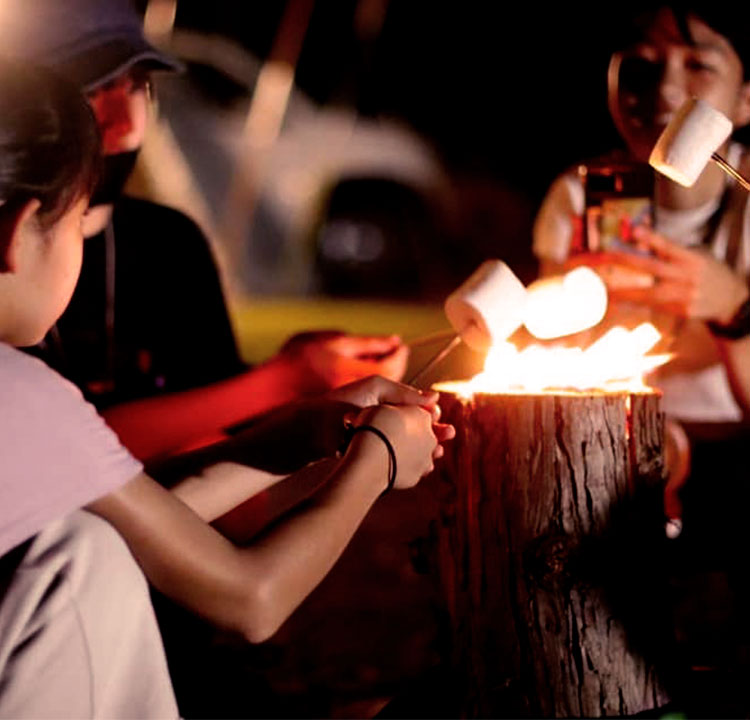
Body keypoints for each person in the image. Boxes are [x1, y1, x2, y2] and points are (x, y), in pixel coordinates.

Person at [0, 58, 454, 716]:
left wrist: (291, 438)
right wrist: (378, 463)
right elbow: (252, 598)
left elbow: (136, 514)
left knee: (92, 542)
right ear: (20, 232)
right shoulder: (23, 395)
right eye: (77, 223)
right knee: (88, 563)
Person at [0, 0, 410, 464]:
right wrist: (285, 380)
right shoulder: (13, 276)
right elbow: (63, 452)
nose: (127, 123)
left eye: (137, 86)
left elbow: (217, 414)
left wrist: (311, 377)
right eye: (94, 89)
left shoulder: (169, 242)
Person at [532, 2, 750, 697]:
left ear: (745, 100)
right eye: (641, 64)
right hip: (611, 443)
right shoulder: (578, 197)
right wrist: (559, 309)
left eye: (698, 65)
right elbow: (550, 360)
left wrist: (735, 310)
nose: (661, 90)